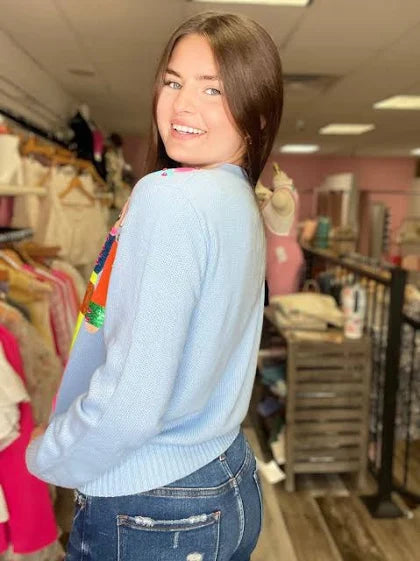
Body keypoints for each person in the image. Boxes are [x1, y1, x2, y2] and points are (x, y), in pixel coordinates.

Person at [26, 11, 283, 561]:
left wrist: (49, 453)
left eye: (213, 89)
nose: (183, 105)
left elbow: (132, 404)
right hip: (226, 474)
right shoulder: (238, 199)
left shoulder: (170, 198)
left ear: (256, 113)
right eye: (173, 82)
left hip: (154, 502)